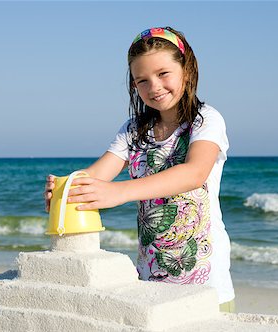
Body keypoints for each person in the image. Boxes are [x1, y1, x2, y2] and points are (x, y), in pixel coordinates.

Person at [44, 26, 235, 312]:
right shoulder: (134, 131)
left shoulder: (205, 120)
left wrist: (120, 192)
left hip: (207, 287)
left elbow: (194, 173)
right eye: (142, 80)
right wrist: (66, 189)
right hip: (149, 284)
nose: (154, 86)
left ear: (187, 70)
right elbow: (96, 175)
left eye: (163, 74)